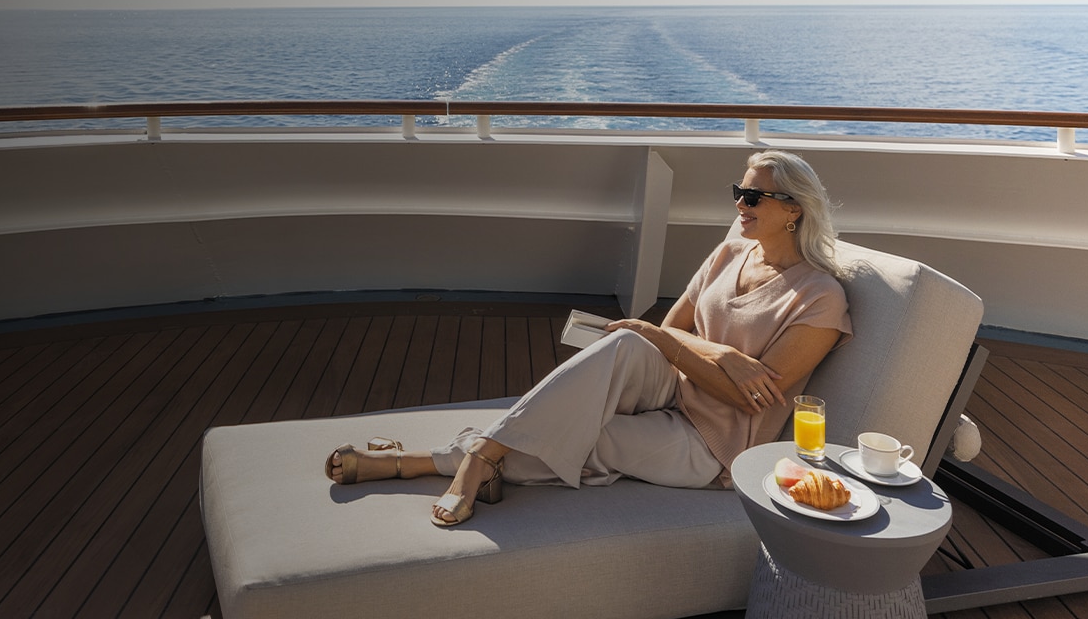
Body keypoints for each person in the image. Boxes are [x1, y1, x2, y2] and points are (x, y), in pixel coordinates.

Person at [325, 150, 853, 526]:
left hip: (714, 443)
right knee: (627, 343)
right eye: (738, 192)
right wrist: (717, 350)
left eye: (754, 196)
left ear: (794, 208)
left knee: (576, 433)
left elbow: (747, 398)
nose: (740, 204)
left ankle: (428, 461)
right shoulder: (730, 252)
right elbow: (670, 332)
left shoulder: (820, 298)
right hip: (677, 385)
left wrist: (670, 342)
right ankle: (479, 457)